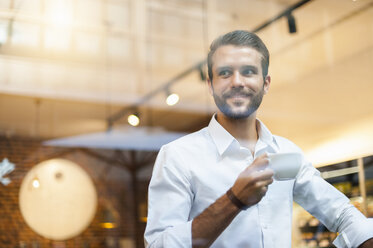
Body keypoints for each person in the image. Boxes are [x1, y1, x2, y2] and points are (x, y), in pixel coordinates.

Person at [144, 30, 373, 248]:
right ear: (210, 85)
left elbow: (341, 212)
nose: (236, 81)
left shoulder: (285, 152)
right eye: (225, 73)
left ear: (266, 84)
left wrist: (362, 236)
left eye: (248, 71)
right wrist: (233, 200)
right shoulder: (178, 156)